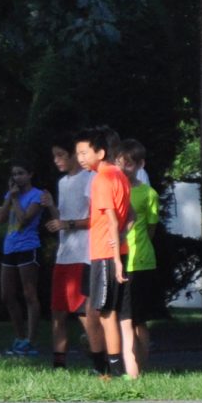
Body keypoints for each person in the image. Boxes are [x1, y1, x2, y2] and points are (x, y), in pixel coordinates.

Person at [75, 126, 131, 382]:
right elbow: (130, 216)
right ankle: (105, 368)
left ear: (100, 153)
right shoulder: (120, 175)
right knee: (102, 311)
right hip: (111, 252)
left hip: (106, 255)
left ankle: (113, 371)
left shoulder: (102, 179)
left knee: (107, 314)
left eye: (85, 153)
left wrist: (116, 259)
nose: (81, 158)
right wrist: (121, 239)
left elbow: (111, 219)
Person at [116, 138, 160, 380]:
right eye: (120, 162)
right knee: (124, 317)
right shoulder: (115, 191)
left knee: (137, 320)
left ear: (140, 165)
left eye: (129, 164)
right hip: (119, 258)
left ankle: (139, 368)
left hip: (140, 261)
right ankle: (130, 367)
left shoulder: (148, 194)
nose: (124, 168)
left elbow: (151, 229)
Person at [0, 164, 49, 357]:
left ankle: (30, 340)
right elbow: (0, 219)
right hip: (10, 248)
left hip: (28, 247)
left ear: (30, 174)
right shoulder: (11, 195)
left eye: (21, 173)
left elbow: (24, 219)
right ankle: (19, 336)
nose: (17, 177)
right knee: (7, 294)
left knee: (29, 294)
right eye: (14, 174)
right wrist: (9, 198)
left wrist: (16, 199)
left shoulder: (37, 195)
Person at [47, 140, 91, 369]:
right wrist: (51, 207)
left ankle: (99, 359)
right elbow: (62, 217)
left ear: (74, 155)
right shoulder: (62, 182)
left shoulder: (89, 178)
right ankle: (59, 365)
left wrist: (68, 224)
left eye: (61, 155)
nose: (57, 160)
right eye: (54, 156)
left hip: (82, 254)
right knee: (58, 311)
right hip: (63, 254)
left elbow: (95, 219)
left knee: (84, 312)